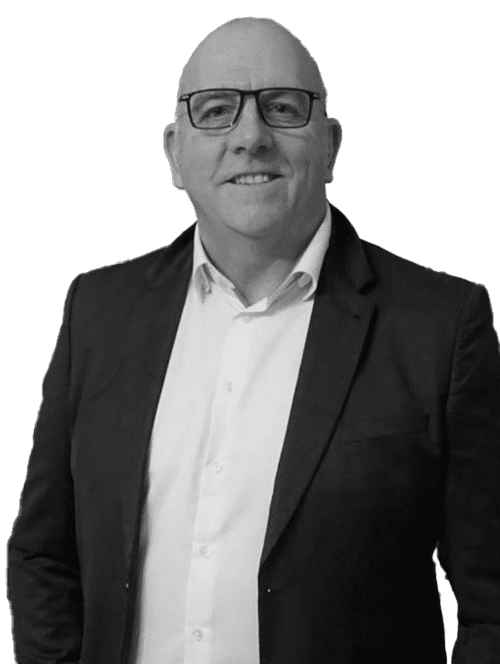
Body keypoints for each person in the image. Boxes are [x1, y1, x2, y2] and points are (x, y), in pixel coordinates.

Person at [6, 16, 500, 664]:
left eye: (283, 108)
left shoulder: (439, 326)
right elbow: (42, 556)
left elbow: (492, 598)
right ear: (174, 152)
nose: (250, 137)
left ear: (331, 145)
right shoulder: (98, 312)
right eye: (216, 110)